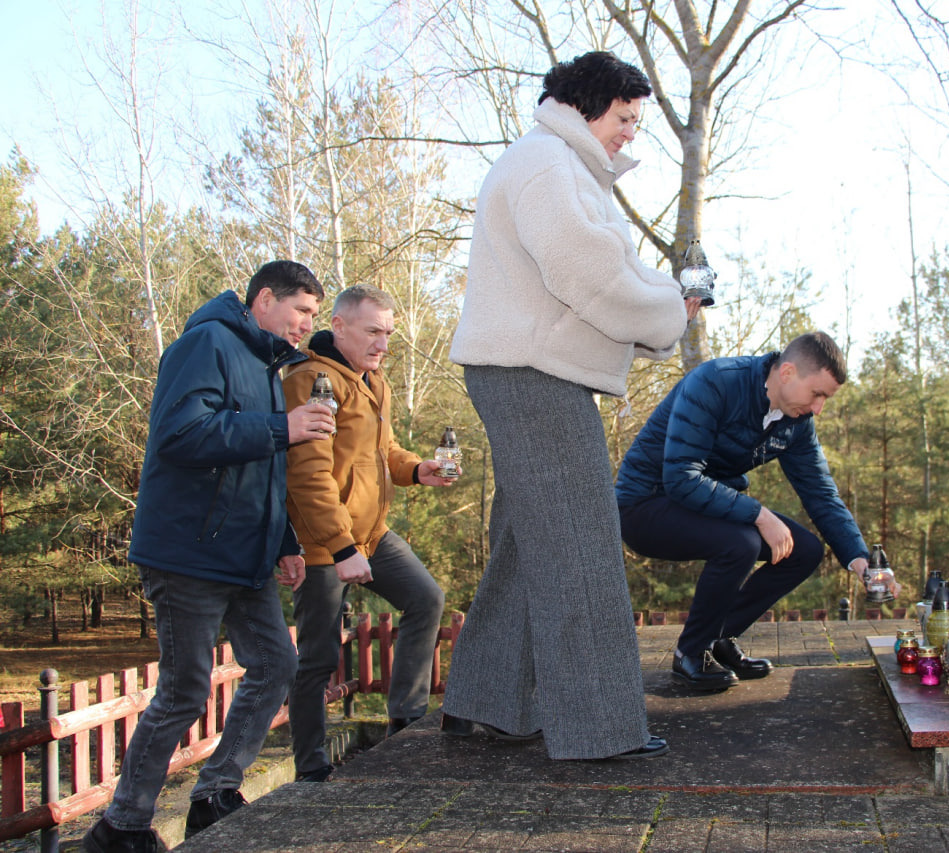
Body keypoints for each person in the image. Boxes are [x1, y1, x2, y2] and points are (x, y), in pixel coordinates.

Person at [444, 51, 699, 760]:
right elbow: (589, 273)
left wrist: (662, 305)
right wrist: (668, 316)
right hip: (532, 376)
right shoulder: (549, 165)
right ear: (589, 106)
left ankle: (483, 702)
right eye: (624, 118)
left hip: (525, 371)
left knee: (531, 546)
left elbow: (610, 269)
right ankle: (600, 730)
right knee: (582, 547)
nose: (629, 134)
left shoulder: (555, 166)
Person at [84, 261, 334, 853]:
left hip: (243, 555)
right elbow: (181, 435)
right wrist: (283, 427)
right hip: (187, 552)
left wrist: (284, 543)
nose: (305, 325)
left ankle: (215, 791)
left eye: (312, 317)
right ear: (264, 299)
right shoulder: (206, 343)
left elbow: (264, 469)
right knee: (185, 689)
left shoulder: (269, 363)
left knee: (276, 664)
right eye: (300, 311)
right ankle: (121, 825)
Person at [616, 331, 888, 692]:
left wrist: (860, 561)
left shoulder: (796, 423)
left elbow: (821, 494)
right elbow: (680, 478)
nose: (819, 408)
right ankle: (690, 654)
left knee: (804, 550)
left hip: (704, 506)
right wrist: (761, 514)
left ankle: (718, 637)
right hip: (644, 505)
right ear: (787, 373)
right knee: (741, 542)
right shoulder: (716, 382)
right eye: (817, 394)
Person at [282, 284, 451, 783]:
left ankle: (406, 718)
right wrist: (340, 548)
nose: (383, 343)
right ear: (338, 326)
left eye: (389, 333)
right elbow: (308, 476)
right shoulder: (311, 379)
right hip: (322, 543)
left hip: (372, 535)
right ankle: (311, 769)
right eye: (373, 331)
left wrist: (419, 469)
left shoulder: (375, 381)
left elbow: (384, 452)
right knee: (317, 657)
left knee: (426, 600)